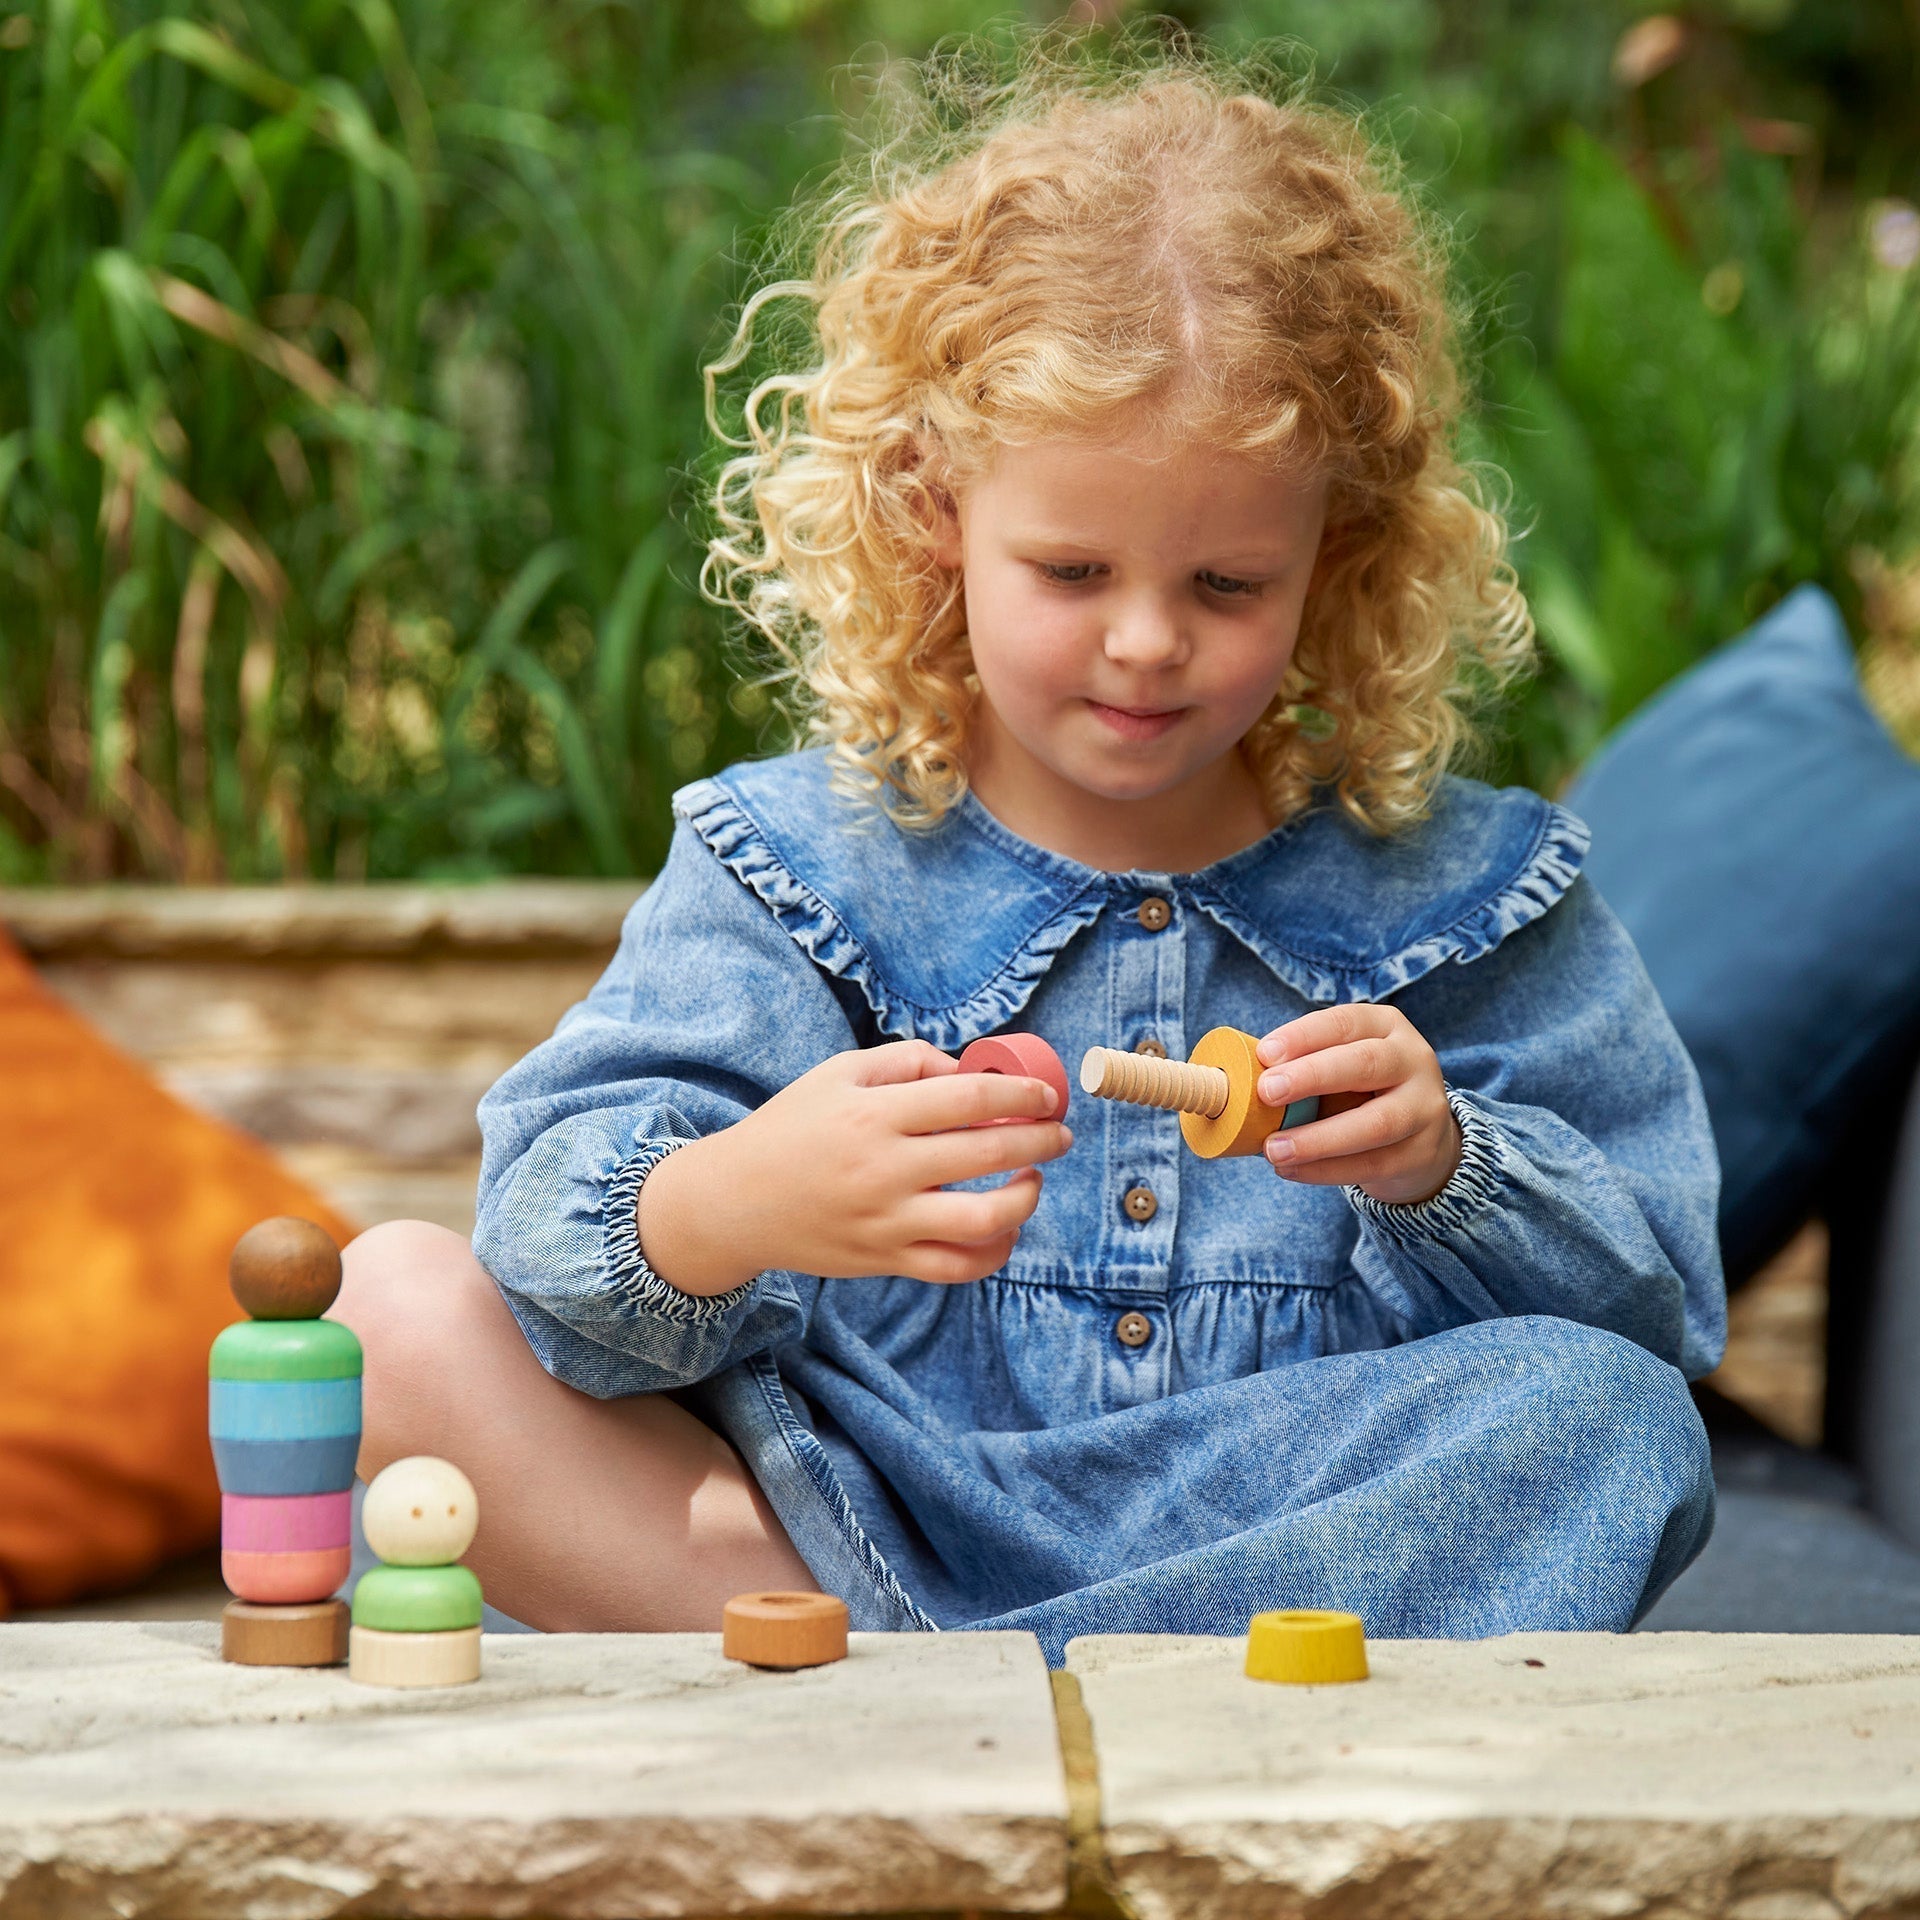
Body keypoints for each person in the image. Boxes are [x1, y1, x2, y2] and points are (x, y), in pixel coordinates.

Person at [335, 49, 1723, 1660]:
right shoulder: (798, 865)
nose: (1146, 643)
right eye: (1072, 567)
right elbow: (548, 1248)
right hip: (848, 1517)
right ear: (933, 507)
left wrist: (1448, 1169)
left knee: (1618, 1421)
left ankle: (954, 1698)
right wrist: (733, 1199)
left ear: (1332, 551)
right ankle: (1076, 1701)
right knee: (390, 1313)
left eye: (1226, 584)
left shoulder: (1473, 899)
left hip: (1287, 1536)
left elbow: (1656, 1312)